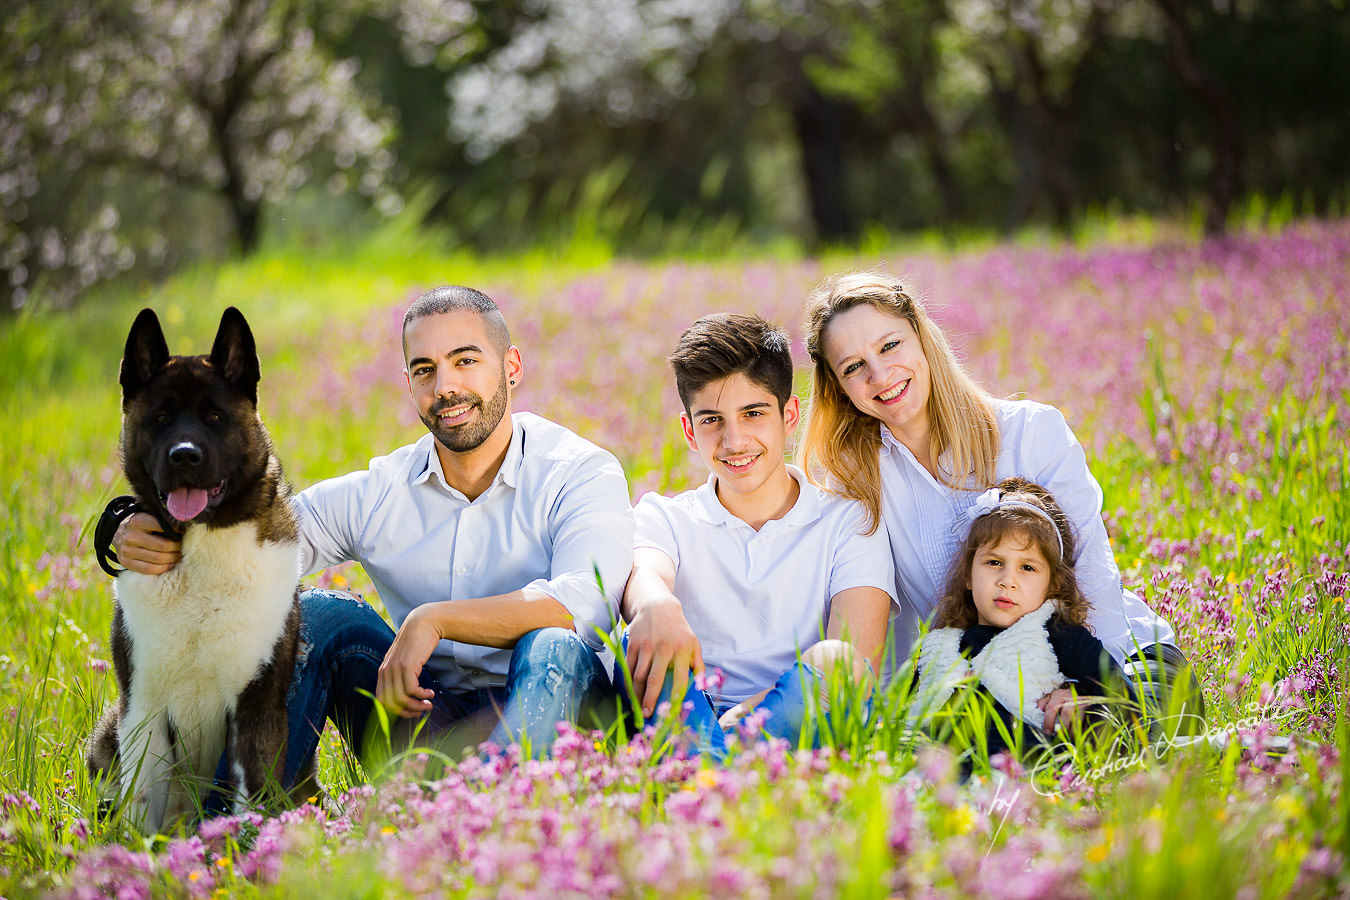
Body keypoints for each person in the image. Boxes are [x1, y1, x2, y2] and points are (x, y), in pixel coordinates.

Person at [98, 285, 634, 777]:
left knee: (553, 645)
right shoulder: (383, 490)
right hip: (423, 716)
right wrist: (128, 519)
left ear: (511, 366)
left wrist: (434, 621)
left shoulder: (580, 471)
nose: (446, 387)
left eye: (465, 361)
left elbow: (583, 600)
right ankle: (229, 836)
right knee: (324, 614)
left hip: (560, 710)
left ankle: (502, 811)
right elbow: (255, 544)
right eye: (424, 369)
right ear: (409, 384)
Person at [800, 272, 1201, 734]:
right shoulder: (857, 483)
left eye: (890, 346)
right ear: (838, 386)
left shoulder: (1033, 432)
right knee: (975, 751)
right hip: (988, 682)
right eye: (853, 366)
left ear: (922, 337)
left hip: (1117, 661)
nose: (880, 374)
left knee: (1110, 728)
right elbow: (880, 625)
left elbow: (1094, 580)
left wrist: (1097, 688)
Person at [620, 312, 894, 755]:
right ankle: (713, 778)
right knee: (644, 628)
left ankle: (706, 781)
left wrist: (746, 718)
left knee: (838, 663)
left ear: (789, 416)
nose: (734, 441)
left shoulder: (849, 521)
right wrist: (656, 602)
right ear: (689, 431)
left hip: (797, 714)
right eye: (712, 420)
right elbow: (645, 572)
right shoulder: (666, 517)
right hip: (692, 712)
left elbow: (856, 659)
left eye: (753, 414)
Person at [909, 478, 1123, 758]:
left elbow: (1124, 700)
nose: (1007, 580)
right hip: (944, 780)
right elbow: (907, 718)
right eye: (994, 562)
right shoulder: (939, 646)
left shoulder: (1057, 635)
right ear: (968, 576)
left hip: (1027, 774)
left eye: (1027, 567)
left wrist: (1079, 699)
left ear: (1053, 584)